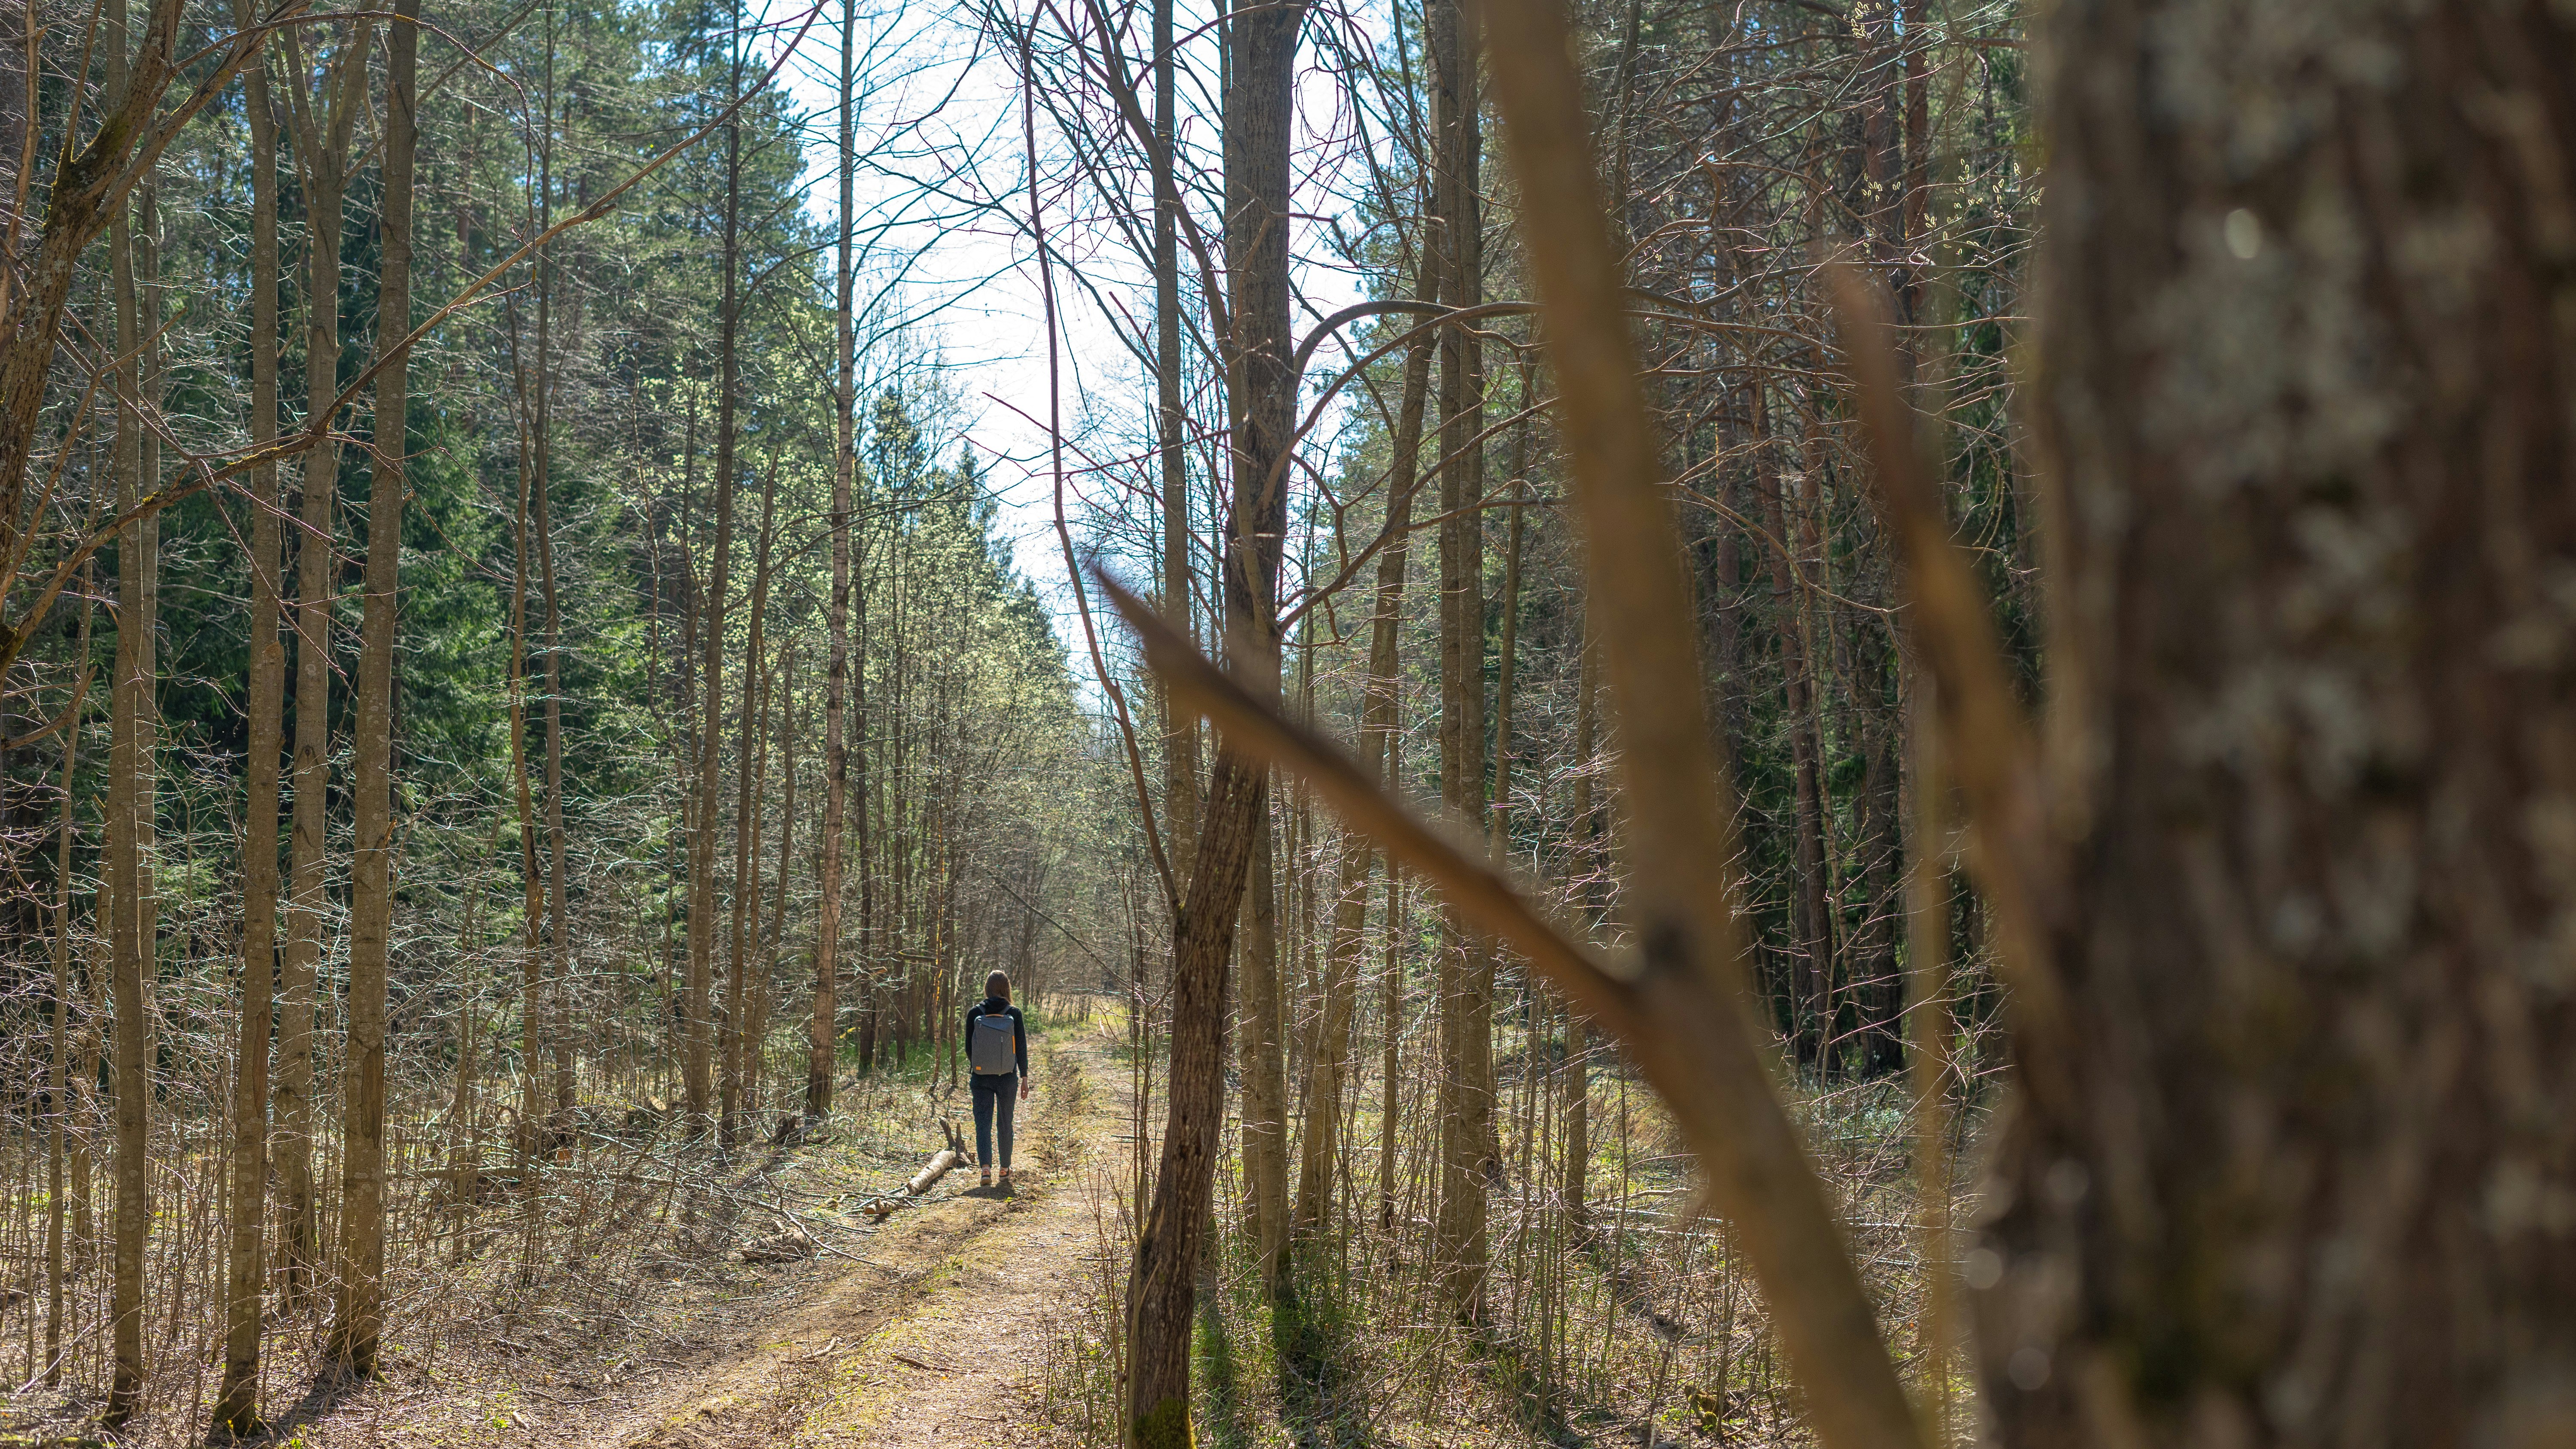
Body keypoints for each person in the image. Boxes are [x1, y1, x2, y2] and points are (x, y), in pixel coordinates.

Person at [963, 970, 1030, 1189]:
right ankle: (1005, 1168)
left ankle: (985, 1169)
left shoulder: (975, 1012)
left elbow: (968, 1048)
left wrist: (981, 1065)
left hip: (981, 1077)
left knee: (983, 1124)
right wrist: (1025, 1077)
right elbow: (1021, 1047)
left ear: (987, 988)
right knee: (1005, 1122)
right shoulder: (1014, 1013)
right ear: (1007, 988)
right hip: (1007, 1077)